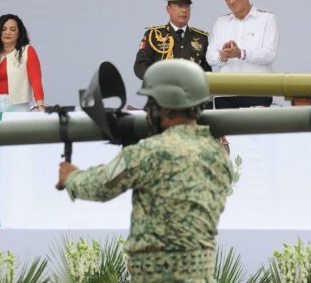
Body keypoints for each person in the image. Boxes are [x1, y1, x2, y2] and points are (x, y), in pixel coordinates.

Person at [56, 59, 232, 282]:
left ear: (165, 108)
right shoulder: (219, 155)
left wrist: (71, 176)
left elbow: (100, 186)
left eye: (151, 103)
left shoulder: (150, 152)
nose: (147, 111)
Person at [206, 0, 279, 108]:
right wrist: (223, 56)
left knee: (255, 129)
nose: (231, 1)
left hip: (257, 92)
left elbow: (269, 54)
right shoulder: (221, 22)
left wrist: (241, 53)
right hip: (225, 93)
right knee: (225, 129)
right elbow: (210, 57)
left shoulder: (266, 18)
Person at [133, 0, 211, 80]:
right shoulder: (153, 35)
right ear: (168, 9)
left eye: (187, 6)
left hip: (191, 93)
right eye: (179, 6)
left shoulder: (201, 38)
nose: (184, 10)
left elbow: (207, 71)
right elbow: (140, 67)